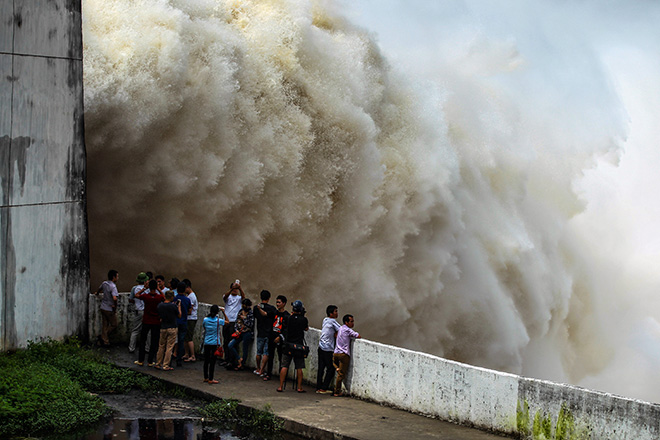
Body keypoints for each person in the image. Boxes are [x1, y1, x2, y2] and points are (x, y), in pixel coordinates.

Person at [277, 300, 308, 393]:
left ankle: (281, 386)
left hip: (288, 345)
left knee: (284, 366)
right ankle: (299, 387)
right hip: (299, 346)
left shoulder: (288, 318)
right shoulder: (303, 319)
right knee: (299, 367)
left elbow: (285, 325)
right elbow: (306, 328)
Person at [135, 278, 164, 366]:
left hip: (146, 321)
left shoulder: (146, 296)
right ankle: (150, 361)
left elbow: (136, 295)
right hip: (156, 322)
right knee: (154, 342)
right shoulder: (158, 297)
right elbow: (165, 298)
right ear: (156, 287)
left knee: (143, 341)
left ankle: (141, 360)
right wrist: (159, 289)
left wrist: (144, 288)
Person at [333, 314, 361, 397]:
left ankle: (337, 368)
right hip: (343, 354)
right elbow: (358, 336)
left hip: (336, 353)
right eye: (351, 321)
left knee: (335, 366)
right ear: (346, 322)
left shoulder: (340, 328)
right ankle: (337, 391)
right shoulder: (348, 330)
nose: (353, 323)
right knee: (341, 375)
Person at [316, 305, 340, 394]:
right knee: (331, 368)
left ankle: (318, 387)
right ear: (331, 313)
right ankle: (324, 388)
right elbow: (342, 330)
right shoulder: (333, 322)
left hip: (321, 346)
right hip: (327, 348)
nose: (337, 313)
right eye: (335, 311)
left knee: (321, 368)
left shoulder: (325, 320)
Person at [155, 290, 181, 371]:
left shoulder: (160, 306)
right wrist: (179, 306)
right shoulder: (173, 306)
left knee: (161, 346)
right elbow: (179, 315)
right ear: (172, 297)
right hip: (172, 327)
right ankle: (166, 365)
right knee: (169, 347)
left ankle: (158, 363)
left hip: (163, 327)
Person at [266, 295, 289, 381]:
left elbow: (287, 329)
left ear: (284, 303)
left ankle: (282, 376)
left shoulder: (286, 316)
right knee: (270, 356)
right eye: (277, 302)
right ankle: (268, 374)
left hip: (281, 339)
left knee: (281, 357)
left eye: (279, 302)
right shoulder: (274, 312)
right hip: (272, 336)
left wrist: (280, 337)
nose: (277, 304)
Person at [202, 304, 227, 384]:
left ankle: (205, 377)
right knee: (212, 361)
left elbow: (204, 328)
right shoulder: (218, 321)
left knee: (206, 361)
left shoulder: (205, 320)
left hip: (206, 342)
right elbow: (228, 322)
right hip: (215, 343)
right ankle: (211, 378)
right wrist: (223, 312)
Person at [253, 290, 276, 376]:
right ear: (269, 298)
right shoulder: (272, 309)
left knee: (259, 352)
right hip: (269, 333)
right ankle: (262, 370)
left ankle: (258, 368)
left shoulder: (256, 308)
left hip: (260, 332)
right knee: (266, 352)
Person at [227, 298, 254, 370]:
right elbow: (236, 322)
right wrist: (236, 330)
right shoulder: (240, 311)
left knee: (245, 349)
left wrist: (244, 318)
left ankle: (242, 364)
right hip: (239, 332)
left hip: (247, 332)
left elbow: (250, 324)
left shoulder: (251, 313)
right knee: (230, 345)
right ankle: (239, 359)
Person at [222, 280, 245, 364]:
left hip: (234, 322)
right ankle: (226, 359)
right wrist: (232, 289)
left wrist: (240, 288)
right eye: (234, 289)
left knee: (232, 342)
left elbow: (243, 297)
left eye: (236, 289)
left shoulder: (239, 298)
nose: (235, 290)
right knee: (226, 340)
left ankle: (232, 360)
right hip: (227, 321)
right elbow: (225, 297)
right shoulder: (227, 297)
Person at [95, 270, 119, 347]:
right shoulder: (113, 286)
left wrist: (97, 293)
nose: (117, 278)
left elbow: (99, 289)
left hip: (103, 306)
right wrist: (114, 306)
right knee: (114, 324)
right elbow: (115, 298)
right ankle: (103, 337)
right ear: (113, 277)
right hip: (109, 308)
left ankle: (105, 340)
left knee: (105, 324)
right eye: (117, 276)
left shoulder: (104, 283)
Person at [128, 272, 149, 353]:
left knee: (135, 330)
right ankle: (147, 348)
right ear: (145, 281)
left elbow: (130, 299)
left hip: (138, 311)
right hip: (146, 311)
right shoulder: (148, 289)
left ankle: (131, 348)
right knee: (147, 331)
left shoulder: (134, 288)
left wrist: (136, 302)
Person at [174, 282, 192, 367]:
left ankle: (169, 359)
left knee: (172, 340)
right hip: (184, 322)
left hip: (175, 321)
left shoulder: (174, 299)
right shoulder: (187, 300)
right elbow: (189, 311)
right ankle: (179, 360)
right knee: (181, 341)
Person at [182, 279, 198, 362]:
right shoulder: (189, 296)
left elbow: (190, 310)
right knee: (186, 337)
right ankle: (186, 353)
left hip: (191, 319)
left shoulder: (191, 297)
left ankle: (192, 355)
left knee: (189, 337)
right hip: (189, 318)